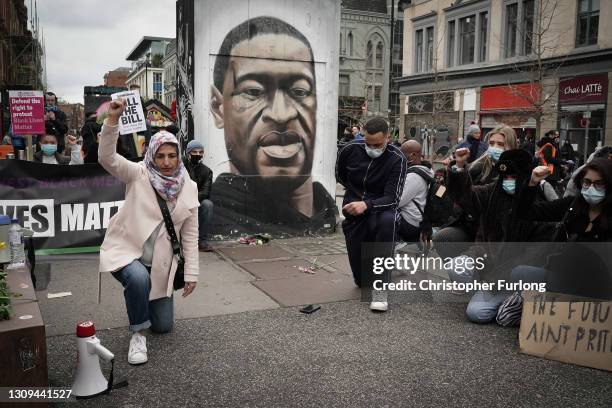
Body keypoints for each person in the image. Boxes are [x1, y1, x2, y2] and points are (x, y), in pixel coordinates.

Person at [209, 16, 335, 235]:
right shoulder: (216, 216)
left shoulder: (328, 211)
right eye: (253, 92)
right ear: (218, 108)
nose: (281, 114)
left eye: (299, 92)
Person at [98, 98, 199, 365]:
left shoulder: (189, 187)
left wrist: (190, 273)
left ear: (179, 156)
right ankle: (137, 335)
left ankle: (145, 305)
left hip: (161, 265)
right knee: (138, 279)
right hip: (127, 253)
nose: (166, 162)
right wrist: (112, 121)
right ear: (151, 155)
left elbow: (190, 234)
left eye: (172, 155)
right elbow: (107, 158)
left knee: (164, 326)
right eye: (160, 156)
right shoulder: (138, 174)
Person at [446, 148, 543, 323]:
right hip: (490, 272)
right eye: (505, 177)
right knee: (474, 308)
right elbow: (466, 196)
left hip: (517, 273)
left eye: (514, 177)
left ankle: (517, 300)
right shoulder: (493, 192)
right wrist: (459, 167)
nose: (509, 181)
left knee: (484, 313)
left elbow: (536, 248)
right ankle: (496, 298)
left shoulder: (536, 197)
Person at [336, 117, 407, 312]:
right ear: (362, 135)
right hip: (354, 209)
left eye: (377, 144)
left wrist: (366, 204)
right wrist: (354, 200)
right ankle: (374, 275)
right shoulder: (349, 150)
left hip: (382, 210)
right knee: (361, 282)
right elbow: (341, 176)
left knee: (389, 222)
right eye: (368, 143)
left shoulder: (397, 158)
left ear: (388, 138)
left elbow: (393, 198)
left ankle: (381, 290)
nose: (372, 148)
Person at [397, 140, 433, 243]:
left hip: (411, 223)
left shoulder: (414, 177)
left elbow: (398, 202)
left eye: (402, 154)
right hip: (419, 220)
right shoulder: (426, 170)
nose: (400, 157)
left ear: (412, 154)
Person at [183, 140, 214, 252]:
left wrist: (190, 199)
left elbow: (205, 192)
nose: (198, 154)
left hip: (195, 200)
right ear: (188, 152)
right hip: (179, 199)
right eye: (194, 151)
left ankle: (202, 241)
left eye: (200, 152)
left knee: (208, 205)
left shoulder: (207, 171)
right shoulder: (181, 165)